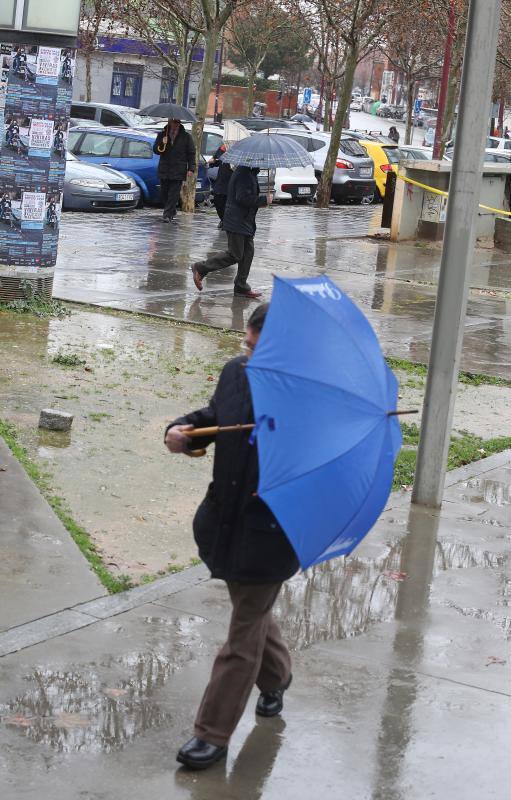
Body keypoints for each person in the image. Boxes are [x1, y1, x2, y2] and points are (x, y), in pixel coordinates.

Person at [164, 303, 299, 771]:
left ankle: (212, 735)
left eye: (261, 351)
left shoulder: (307, 401)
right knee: (253, 612)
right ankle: (278, 676)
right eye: (247, 345)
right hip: (224, 522)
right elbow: (216, 415)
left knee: (241, 637)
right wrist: (186, 432)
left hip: (271, 534)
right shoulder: (236, 372)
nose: (249, 355)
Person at [191, 166, 270, 299]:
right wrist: (263, 200)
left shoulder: (250, 173)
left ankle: (241, 286)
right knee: (235, 254)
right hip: (237, 221)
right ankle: (200, 267)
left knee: (248, 254)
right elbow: (242, 198)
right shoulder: (243, 173)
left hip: (246, 221)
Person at [153, 118, 195, 223]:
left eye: (177, 123)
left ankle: (167, 215)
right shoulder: (162, 135)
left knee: (173, 193)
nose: (175, 125)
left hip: (178, 169)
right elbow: (156, 150)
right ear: (170, 123)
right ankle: (172, 210)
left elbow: (191, 153)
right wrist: (162, 144)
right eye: (174, 122)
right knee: (164, 193)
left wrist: (191, 168)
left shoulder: (186, 137)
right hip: (165, 168)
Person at [209, 144, 232, 229]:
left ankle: (227, 221)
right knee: (218, 200)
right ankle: (223, 219)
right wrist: (213, 161)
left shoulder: (242, 149)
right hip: (221, 179)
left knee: (228, 203)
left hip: (233, 180)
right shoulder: (224, 147)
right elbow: (217, 158)